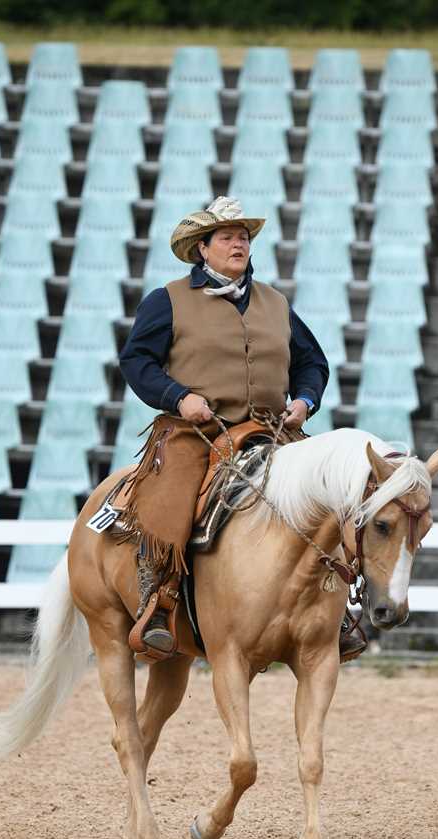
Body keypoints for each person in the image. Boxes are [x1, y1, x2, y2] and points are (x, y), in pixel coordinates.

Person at [119, 197, 352, 658]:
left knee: (329, 498)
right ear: (202, 248)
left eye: (243, 237)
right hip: (196, 432)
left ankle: (335, 610)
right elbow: (137, 361)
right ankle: (160, 602)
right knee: (171, 503)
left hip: (273, 431)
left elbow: (312, 363)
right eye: (226, 237)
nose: (238, 244)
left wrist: (305, 401)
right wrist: (178, 397)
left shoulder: (276, 303)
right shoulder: (167, 300)